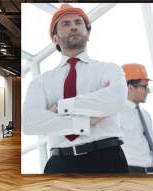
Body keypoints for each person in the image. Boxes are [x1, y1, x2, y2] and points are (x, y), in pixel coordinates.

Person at [22, 4, 129, 173]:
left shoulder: (109, 69)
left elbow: (115, 100)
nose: (73, 26)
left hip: (107, 159)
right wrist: (85, 121)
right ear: (55, 39)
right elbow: (30, 122)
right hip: (59, 164)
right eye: (65, 24)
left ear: (88, 33)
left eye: (78, 23)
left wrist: (61, 107)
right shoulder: (40, 82)